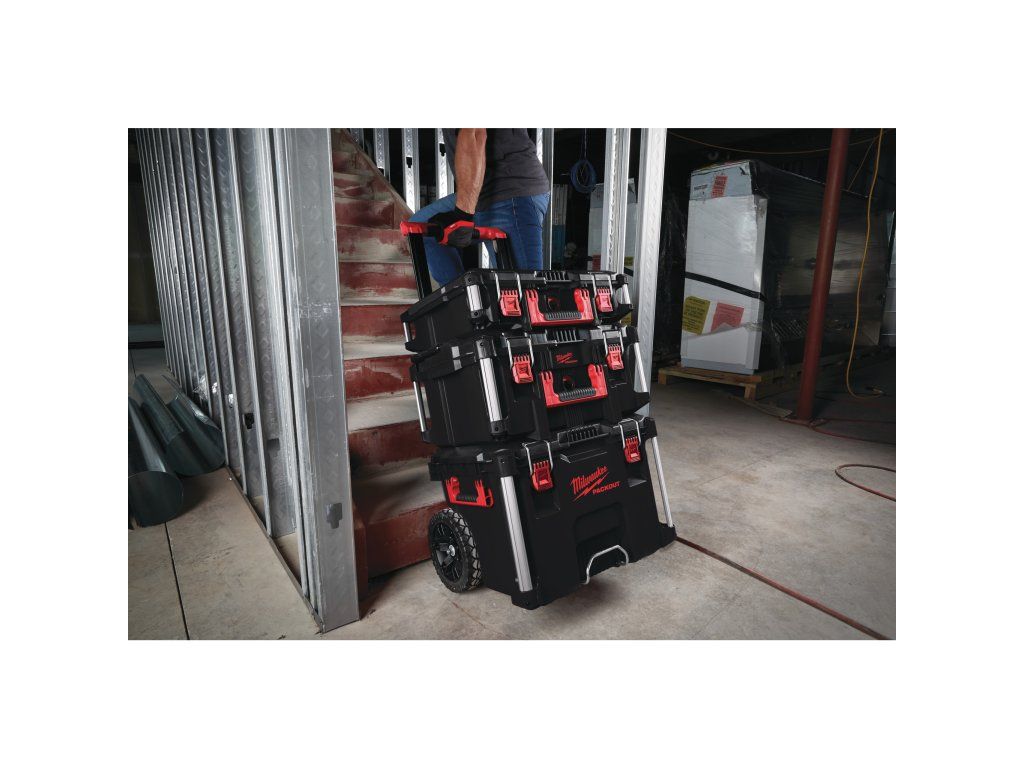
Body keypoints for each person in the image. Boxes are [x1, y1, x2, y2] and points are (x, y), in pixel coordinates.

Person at [408, 129, 550, 285]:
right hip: (482, 193)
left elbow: (474, 134)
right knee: (422, 228)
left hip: (511, 193)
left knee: (522, 290)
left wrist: (462, 214)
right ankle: (462, 296)